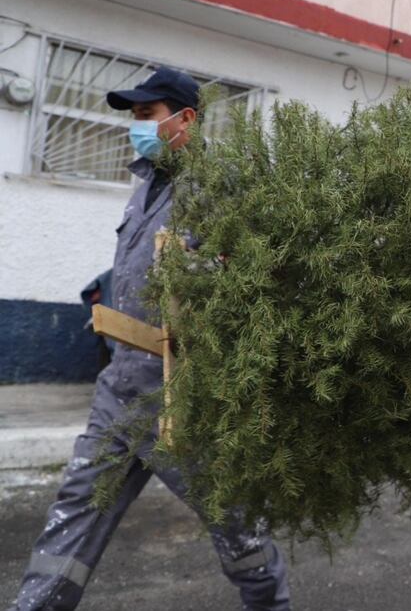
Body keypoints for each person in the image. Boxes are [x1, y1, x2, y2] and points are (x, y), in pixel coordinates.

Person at [8, 68, 290, 611]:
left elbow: (254, 273)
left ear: (186, 118)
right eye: (133, 117)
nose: (136, 126)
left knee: (236, 527)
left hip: (183, 393)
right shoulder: (145, 189)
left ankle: (271, 605)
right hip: (119, 388)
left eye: (146, 115)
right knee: (76, 510)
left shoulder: (219, 181)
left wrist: (210, 274)